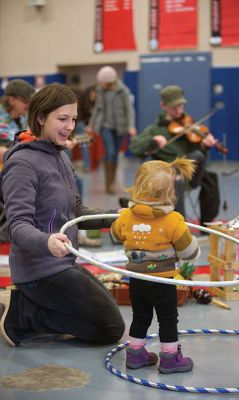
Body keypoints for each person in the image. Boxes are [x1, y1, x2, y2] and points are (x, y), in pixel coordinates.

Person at [0, 83, 125, 347]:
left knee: (107, 314)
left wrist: (118, 216)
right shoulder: (22, 164)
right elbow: (17, 226)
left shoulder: (60, 156)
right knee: (111, 328)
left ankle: (31, 308)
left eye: (74, 119)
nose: (70, 126)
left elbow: (77, 211)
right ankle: (23, 315)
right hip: (38, 272)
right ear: (41, 117)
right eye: (62, 119)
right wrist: (46, 241)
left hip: (63, 263)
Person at [111, 157, 200, 374]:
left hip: (137, 280)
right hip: (162, 281)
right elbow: (189, 253)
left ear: (137, 187)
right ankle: (170, 358)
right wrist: (192, 242)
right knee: (167, 319)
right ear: (170, 193)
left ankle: (135, 354)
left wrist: (122, 219)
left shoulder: (126, 217)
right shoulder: (173, 220)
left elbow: (115, 234)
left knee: (140, 316)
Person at [129, 85, 218, 223]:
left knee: (205, 168)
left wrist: (204, 147)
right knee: (177, 179)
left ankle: (207, 223)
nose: (178, 110)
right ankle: (178, 224)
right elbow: (135, 147)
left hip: (192, 174)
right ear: (163, 106)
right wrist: (153, 141)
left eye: (181, 106)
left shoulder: (191, 125)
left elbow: (199, 160)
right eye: (173, 107)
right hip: (168, 175)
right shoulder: (155, 129)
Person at [88, 66, 137, 193]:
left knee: (115, 154)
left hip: (120, 127)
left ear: (109, 81)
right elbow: (97, 109)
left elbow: (129, 110)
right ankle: (108, 184)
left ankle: (112, 182)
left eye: (102, 81)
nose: (100, 84)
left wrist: (131, 126)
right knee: (109, 152)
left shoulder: (123, 91)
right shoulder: (100, 91)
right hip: (105, 126)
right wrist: (91, 125)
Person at [0, 79, 35, 242]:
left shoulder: (23, 120)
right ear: (11, 99)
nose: (28, 105)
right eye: (25, 101)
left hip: (15, 168)